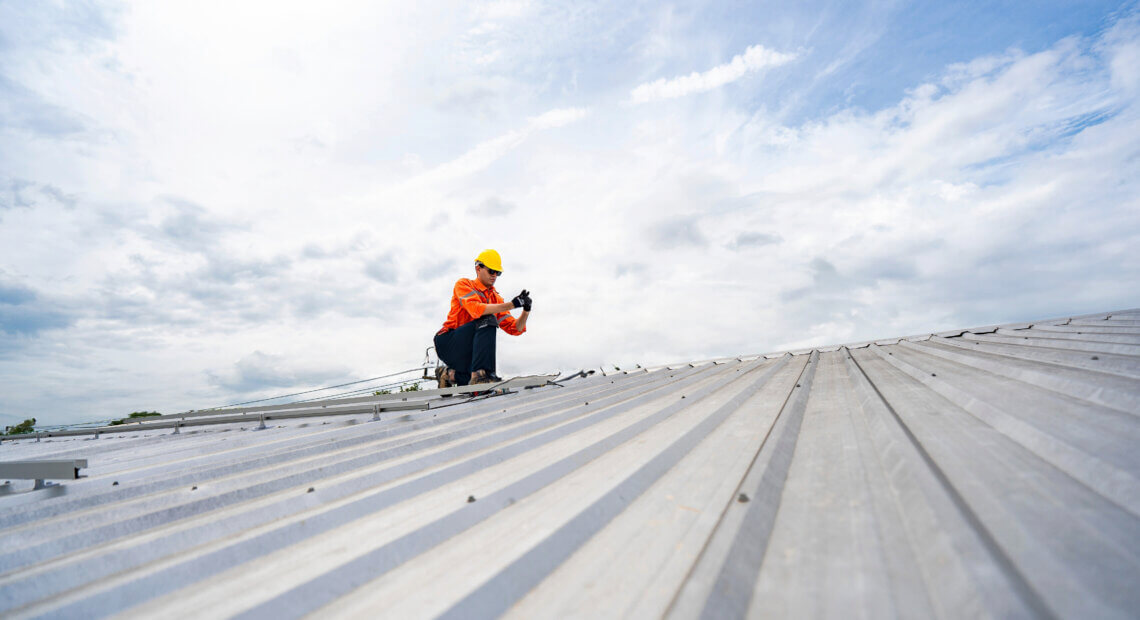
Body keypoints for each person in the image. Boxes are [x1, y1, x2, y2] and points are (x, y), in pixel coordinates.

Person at [434, 249, 532, 386]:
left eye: (498, 273)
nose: (494, 276)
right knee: (487, 319)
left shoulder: (495, 299)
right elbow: (477, 310)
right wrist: (511, 305)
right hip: (448, 342)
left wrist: (526, 311)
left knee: (468, 379)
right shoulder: (464, 285)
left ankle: (449, 375)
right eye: (491, 271)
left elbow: (515, 328)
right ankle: (481, 377)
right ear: (478, 269)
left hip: (470, 350)